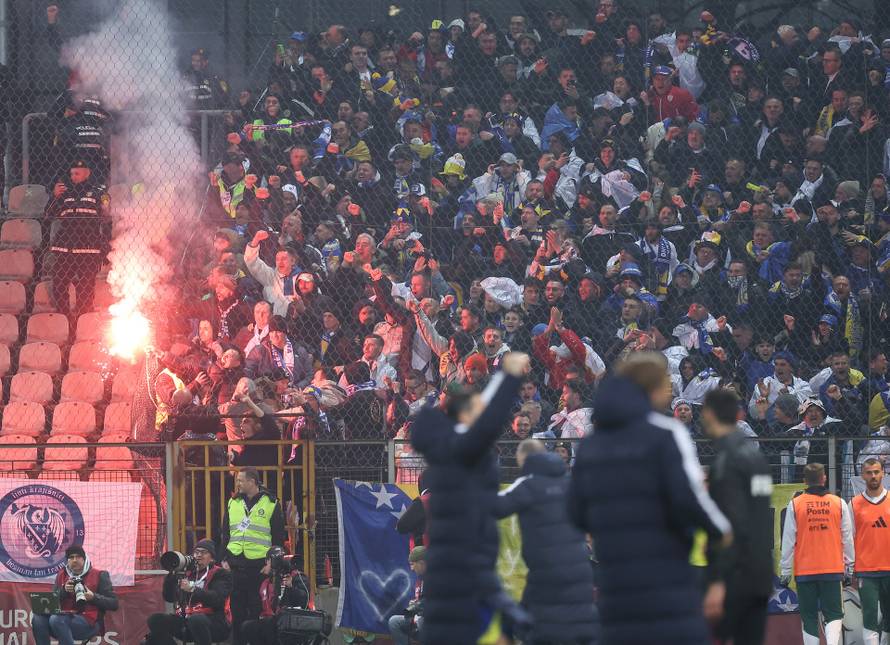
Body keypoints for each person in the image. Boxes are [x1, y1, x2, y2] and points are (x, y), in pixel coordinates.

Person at [568, 352, 731, 645]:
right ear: (653, 388)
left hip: (615, 586)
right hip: (666, 581)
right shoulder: (667, 434)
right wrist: (722, 532)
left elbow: (575, 513)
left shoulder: (592, 444)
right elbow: (689, 499)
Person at [411, 352, 532, 644]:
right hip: (467, 576)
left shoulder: (447, 458)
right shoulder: (458, 453)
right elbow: (488, 422)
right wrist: (510, 376)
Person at [493, 438, 600, 645]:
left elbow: (495, 507)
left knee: (540, 624)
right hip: (580, 568)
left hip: (546, 569)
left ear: (522, 460)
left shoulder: (527, 484)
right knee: (577, 619)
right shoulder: (571, 482)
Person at [699, 389, 773, 645]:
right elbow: (760, 512)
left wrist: (718, 580)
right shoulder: (757, 458)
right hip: (760, 574)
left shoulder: (726, 461)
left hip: (735, 577)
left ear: (708, 414)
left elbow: (732, 523)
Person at [779, 463, 854, 645]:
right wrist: (849, 566)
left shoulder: (795, 505)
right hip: (832, 568)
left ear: (804, 481)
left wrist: (786, 571)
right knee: (834, 614)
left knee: (809, 617)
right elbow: (847, 538)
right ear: (824, 478)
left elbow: (788, 540)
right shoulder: (838, 503)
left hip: (805, 572)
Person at [219, 468, 286, 645]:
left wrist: (272, 563)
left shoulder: (271, 503)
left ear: (253, 482)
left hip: (259, 568)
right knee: (237, 613)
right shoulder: (233, 502)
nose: (238, 484)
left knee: (257, 613)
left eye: (241, 480)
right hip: (235, 566)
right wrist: (224, 559)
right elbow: (225, 533)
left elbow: (278, 538)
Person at [44, 158, 111, 321]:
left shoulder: (99, 194)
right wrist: (54, 196)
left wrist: (106, 245)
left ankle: (82, 321)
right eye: (72, 173)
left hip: (88, 249)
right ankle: (65, 318)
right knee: (59, 284)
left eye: (77, 173)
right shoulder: (66, 194)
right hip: (65, 248)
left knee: (86, 288)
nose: (73, 176)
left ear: (87, 173)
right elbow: (48, 215)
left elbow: (107, 220)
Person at [146, 540, 232, 645]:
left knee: (196, 620)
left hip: (214, 622)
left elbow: (217, 598)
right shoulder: (187, 572)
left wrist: (192, 589)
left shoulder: (220, 573)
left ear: (212, 558)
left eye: (204, 552)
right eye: (196, 552)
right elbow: (169, 597)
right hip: (186, 619)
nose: (199, 555)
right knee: (155, 620)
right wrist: (172, 575)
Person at [32, 545, 118, 645]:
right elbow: (52, 603)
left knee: (56, 619)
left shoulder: (100, 575)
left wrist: (93, 597)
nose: (74, 560)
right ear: (67, 560)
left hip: (89, 622)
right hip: (62, 619)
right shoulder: (62, 575)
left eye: (78, 557)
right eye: (71, 557)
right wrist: (64, 590)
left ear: (84, 558)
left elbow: (114, 603)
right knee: (37, 618)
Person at [850, 457, 890, 645]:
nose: (873, 476)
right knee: (869, 617)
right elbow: (848, 539)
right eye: (869, 472)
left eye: (876, 472)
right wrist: (850, 568)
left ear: (883, 472)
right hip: (866, 570)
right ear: (863, 475)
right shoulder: (854, 504)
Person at [240, 548, 313, 645]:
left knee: (270, 625)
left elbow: (304, 600)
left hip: (292, 620)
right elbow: (257, 605)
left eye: (269, 561)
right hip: (271, 620)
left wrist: (291, 587)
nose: (267, 564)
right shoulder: (266, 581)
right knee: (247, 626)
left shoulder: (297, 576)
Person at [388, 546, 426, 645]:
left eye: (413, 564)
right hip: (420, 617)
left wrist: (418, 606)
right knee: (394, 622)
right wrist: (416, 603)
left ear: (421, 563)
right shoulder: (422, 578)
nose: (411, 568)